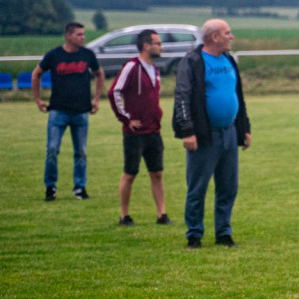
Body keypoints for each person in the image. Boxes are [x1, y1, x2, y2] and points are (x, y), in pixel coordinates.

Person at [173, 19, 251, 249]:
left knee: (228, 187)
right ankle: (194, 235)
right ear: (214, 37)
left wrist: (244, 128)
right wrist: (187, 131)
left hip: (229, 133)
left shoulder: (228, 61)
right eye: (227, 33)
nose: (231, 36)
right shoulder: (193, 61)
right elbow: (182, 97)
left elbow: (238, 96)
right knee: (198, 187)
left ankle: (223, 233)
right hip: (204, 135)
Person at [32, 22, 105, 201]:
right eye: (79, 34)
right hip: (58, 111)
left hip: (81, 111)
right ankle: (50, 187)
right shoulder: (54, 55)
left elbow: (99, 74)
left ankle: (79, 188)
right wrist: (38, 99)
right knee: (52, 149)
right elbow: (36, 74)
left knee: (80, 151)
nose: (83, 37)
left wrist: (96, 99)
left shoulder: (87, 55)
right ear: (68, 36)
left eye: (83, 34)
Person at [108, 29, 171, 226]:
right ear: (146, 46)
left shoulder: (156, 70)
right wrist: (126, 119)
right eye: (158, 43)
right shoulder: (132, 66)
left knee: (157, 172)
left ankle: (162, 214)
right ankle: (124, 215)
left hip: (154, 130)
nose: (161, 47)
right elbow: (114, 92)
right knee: (130, 173)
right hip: (134, 133)